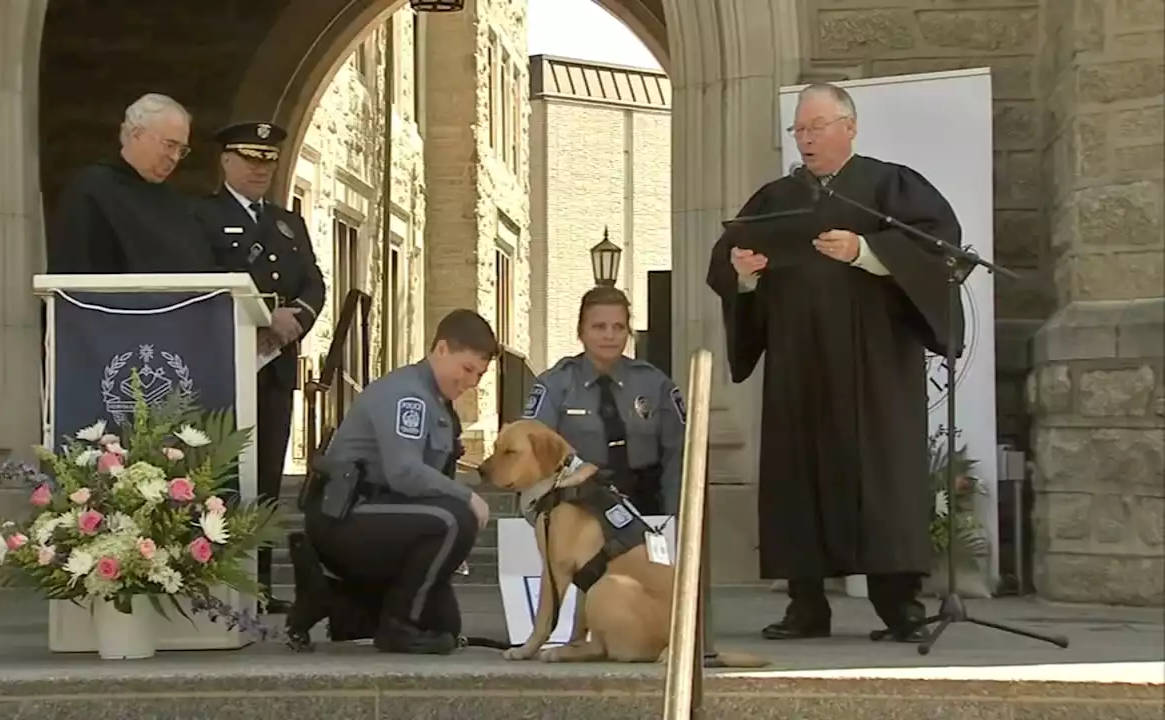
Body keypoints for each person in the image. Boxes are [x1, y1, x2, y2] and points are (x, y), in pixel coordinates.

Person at [705, 82, 964, 643]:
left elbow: (944, 250)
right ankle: (806, 606)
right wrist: (745, 272)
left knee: (883, 478)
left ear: (849, 126)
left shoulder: (890, 186)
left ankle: (901, 608)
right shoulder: (774, 198)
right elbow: (724, 264)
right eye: (799, 130)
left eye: (817, 127)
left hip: (877, 364)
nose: (806, 139)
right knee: (799, 476)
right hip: (799, 365)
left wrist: (867, 252)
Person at [302, 309, 497, 654]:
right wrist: (466, 496)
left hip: (382, 514)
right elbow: (404, 471)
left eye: (479, 374)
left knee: (444, 630)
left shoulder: (437, 401)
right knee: (454, 520)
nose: (471, 383)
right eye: (467, 369)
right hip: (346, 514)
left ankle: (343, 602)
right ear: (441, 350)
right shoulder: (409, 395)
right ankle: (397, 626)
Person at [195, 120, 327, 614]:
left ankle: (261, 584)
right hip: (226, 365)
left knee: (267, 479)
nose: (259, 169)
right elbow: (199, 277)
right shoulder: (203, 217)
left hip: (275, 367)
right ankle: (216, 578)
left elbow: (313, 283)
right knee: (221, 475)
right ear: (226, 160)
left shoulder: (288, 223)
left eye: (268, 160)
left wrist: (296, 319)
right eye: (250, 158)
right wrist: (260, 314)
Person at [521, 286, 684, 517]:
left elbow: (677, 458)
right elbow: (531, 452)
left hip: (646, 509)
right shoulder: (555, 386)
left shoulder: (655, 384)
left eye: (619, 327)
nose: (610, 335)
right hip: (577, 511)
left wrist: (675, 520)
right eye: (599, 327)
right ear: (581, 332)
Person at [46, 93, 218, 274]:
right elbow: (75, 268)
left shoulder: (174, 202)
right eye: (169, 145)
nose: (175, 157)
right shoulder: (91, 190)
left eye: (181, 150)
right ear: (136, 134)